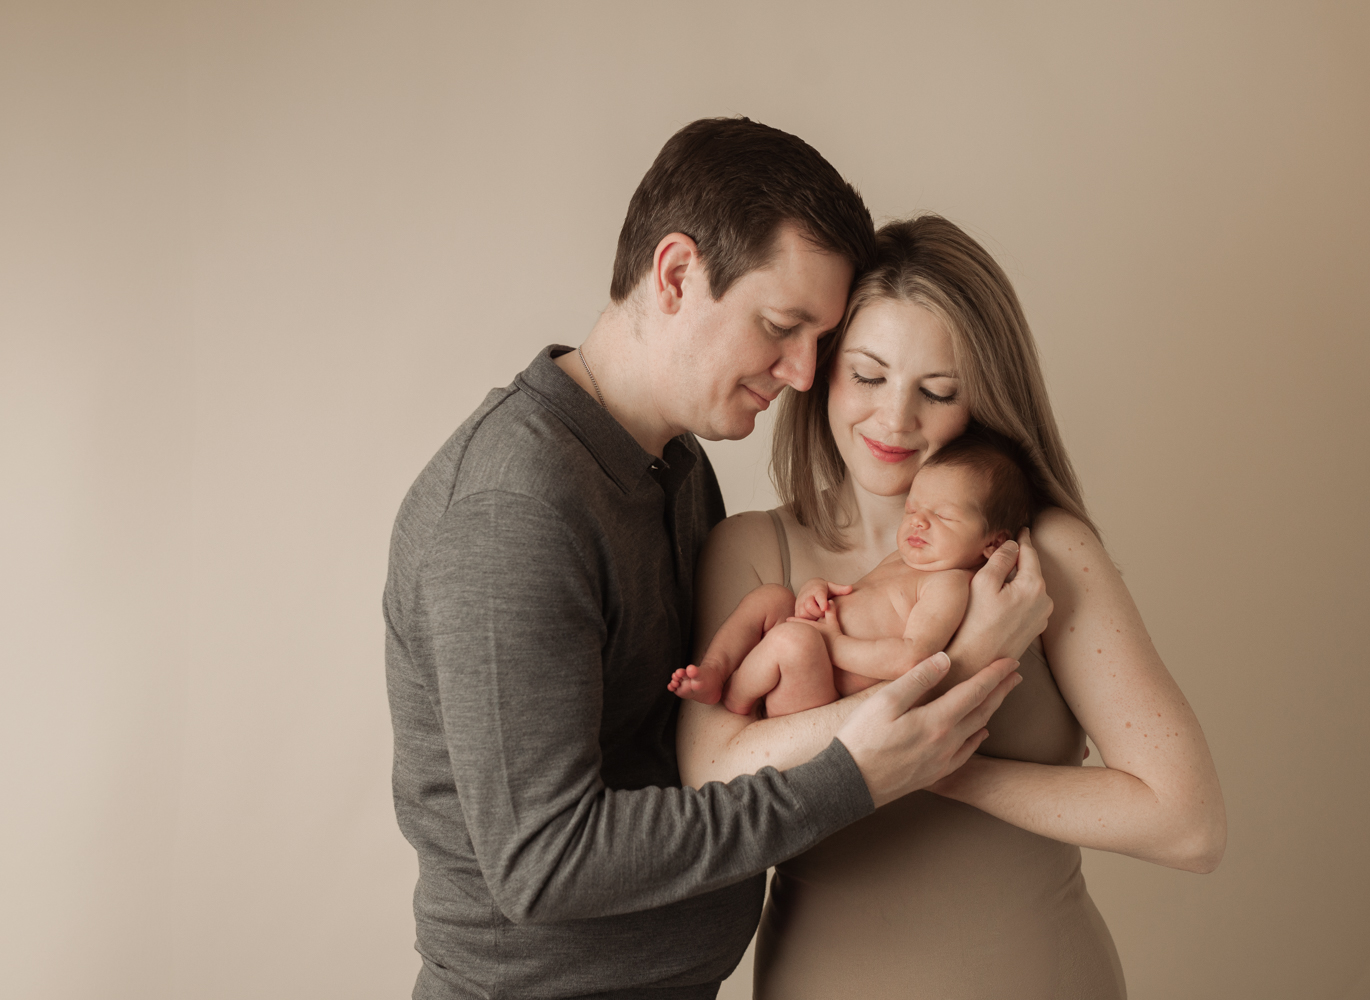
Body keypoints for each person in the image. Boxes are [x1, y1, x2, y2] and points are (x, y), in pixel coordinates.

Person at [383, 119, 1037, 1000]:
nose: (806, 373)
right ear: (678, 274)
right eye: (782, 326)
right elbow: (542, 864)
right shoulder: (512, 510)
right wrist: (850, 778)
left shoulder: (677, 471)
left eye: (820, 339)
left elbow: (706, 745)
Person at [678, 215, 1228, 999]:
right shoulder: (755, 552)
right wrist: (958, 668)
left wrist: (942, 770)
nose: (895, 421)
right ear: (821, 370)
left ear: (983, 401)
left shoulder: (1040, 558)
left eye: (938, 392)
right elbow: (710, 778)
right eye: (868, 376)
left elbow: (1189, 825)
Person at [669, 431, 1038, 717]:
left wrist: (834, 643)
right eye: (912, 509)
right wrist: (814, 591)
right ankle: (715, 669)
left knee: (796, 642)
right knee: (773, 597)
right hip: (809, 648)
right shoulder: (904, 559)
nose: (918, 522)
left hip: (817, 693)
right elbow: (855, 596)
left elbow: (911, 659)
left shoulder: (949, 584)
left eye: (942, 516)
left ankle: (736, 701)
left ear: (993, 544)